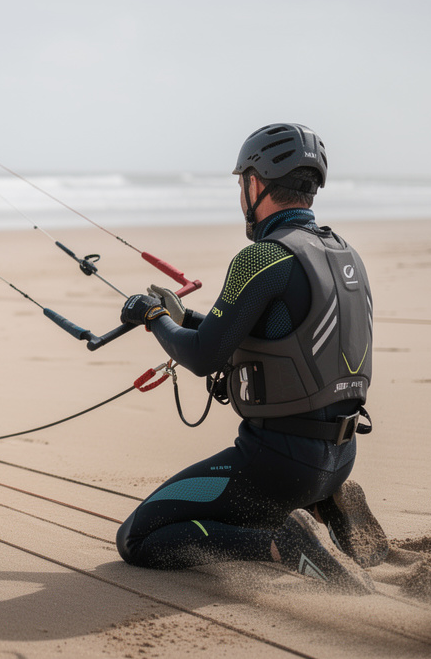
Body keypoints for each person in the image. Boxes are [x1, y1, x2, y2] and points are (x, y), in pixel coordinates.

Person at [115, 123, 387, 593]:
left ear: (255, 183)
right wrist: (187, 316)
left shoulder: (262, 257)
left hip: (275, 466)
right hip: (341, 453)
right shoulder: (346, 255)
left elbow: (203, 357)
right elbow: (279, 332)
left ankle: (278, 543)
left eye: (241, 181)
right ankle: (328, 502)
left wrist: (154, 315)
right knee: (296, 481)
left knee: (137, 537)